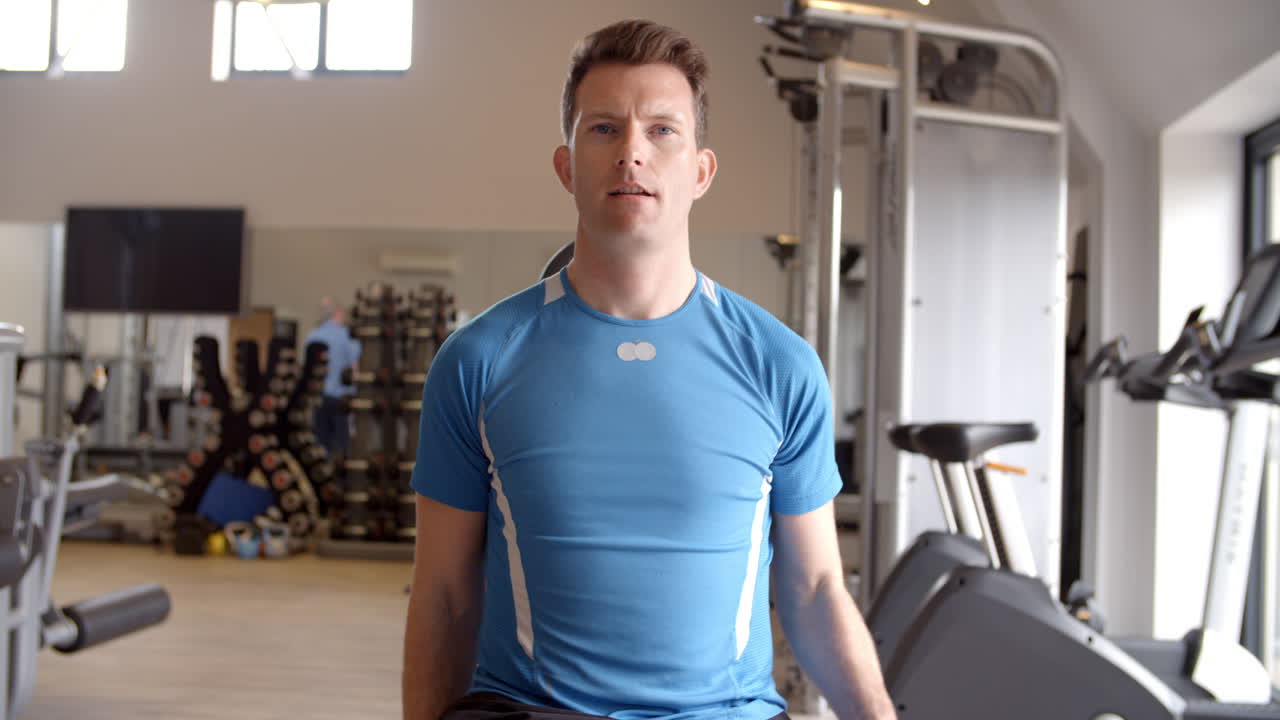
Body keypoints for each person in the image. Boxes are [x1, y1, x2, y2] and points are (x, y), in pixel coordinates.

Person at [403, 19, 896, 720]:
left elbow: (816, 589)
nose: (632, 151)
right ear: (567, 165)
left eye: (662, 130)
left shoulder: (779, 364)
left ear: (699, 170)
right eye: (604, 129)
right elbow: (445, 596)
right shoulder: (480, 360)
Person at [303, 297, 361, 456]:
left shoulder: (312, 336)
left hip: (318, 399)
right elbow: (357, 367)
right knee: (342, 444)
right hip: (342, 400)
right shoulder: (347, 337)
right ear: (338, 313)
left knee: (320, 444)